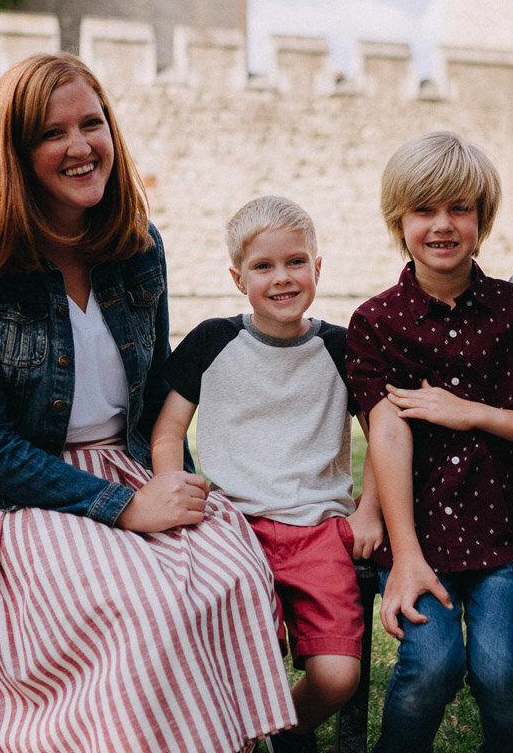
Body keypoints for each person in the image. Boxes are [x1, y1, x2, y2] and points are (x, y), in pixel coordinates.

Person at [0, 52, 296, 753]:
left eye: (92, 124)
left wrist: (165, 480)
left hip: (123, 464)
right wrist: (123, 510)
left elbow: (155, 395)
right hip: (10, 492)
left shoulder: (137, 245)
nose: (80, 146)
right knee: (141, 607)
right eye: (52, 133)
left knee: (232, 574)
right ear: (14, 152)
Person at [347, 131, 513, 753]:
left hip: (503, 535)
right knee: (431, 670)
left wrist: (473, 414)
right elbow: (385, 431)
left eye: (460, 209)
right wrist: (402, 554)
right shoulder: (375, 322)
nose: (442, 225)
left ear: (482, 219)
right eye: (424, 210)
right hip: (417, 537)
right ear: (398, 221)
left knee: (503, 677)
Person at [149, 195, 384, 753]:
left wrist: (370, 510)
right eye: (263, 266)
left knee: (336, 676)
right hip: (230, 528)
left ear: (318, 268)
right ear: (238, 278)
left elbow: (385, 436)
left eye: (296, 262)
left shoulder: (340, 347)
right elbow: (166, 430)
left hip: (319, 531)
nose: (282, 278)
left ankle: (280, 731)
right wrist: (171, 490)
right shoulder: (213, 340)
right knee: (225, 656)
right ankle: (233, 734)